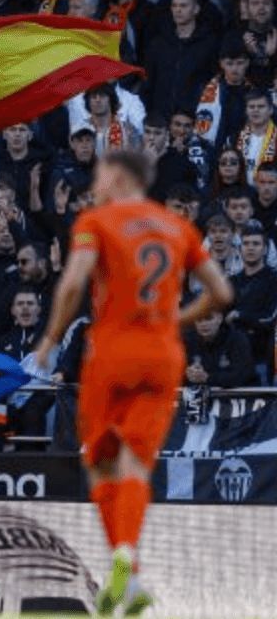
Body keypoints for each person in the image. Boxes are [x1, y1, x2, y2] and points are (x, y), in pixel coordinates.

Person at [31, 148, 233, 619]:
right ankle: (130, 566)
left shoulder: (96, 221)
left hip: (112, 351)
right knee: (137, 467)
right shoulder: (177, 227)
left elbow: (73, 283)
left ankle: (125, 557)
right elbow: (222, 293)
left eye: (100, 173)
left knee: (100, 466)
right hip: (163, 354)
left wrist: (51, 338)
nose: (95, 182)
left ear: (118, 176)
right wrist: (175, 318)